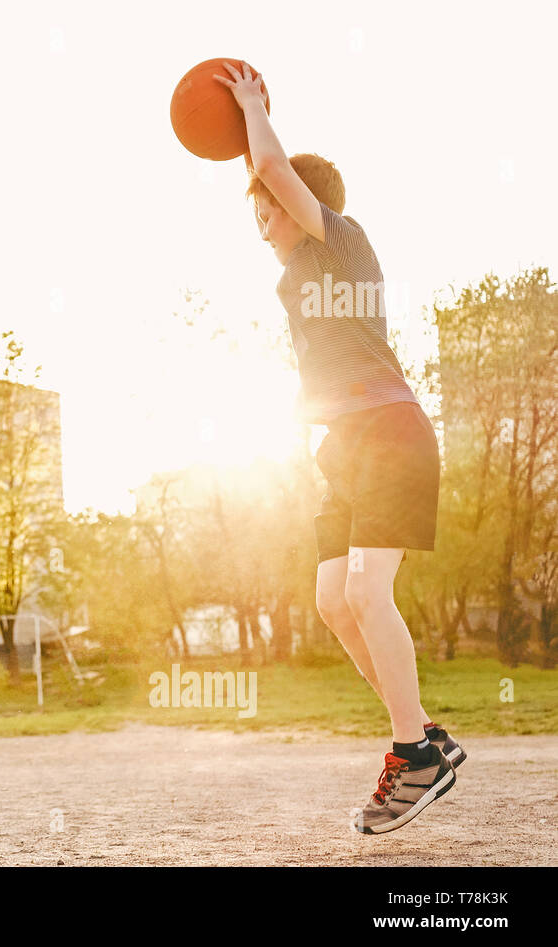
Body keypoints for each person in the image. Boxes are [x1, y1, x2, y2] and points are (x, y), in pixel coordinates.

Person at [214, 63, 464, 834]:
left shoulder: (342, 240)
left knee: (365, 591)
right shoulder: (297, 274)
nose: (261, 219)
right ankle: (423, 736)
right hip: (345, 447)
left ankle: (410, 757)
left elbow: (275, 168)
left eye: (267, 209)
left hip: (389, 431)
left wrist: (252, 113)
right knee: (333, 601)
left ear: (301, 206)